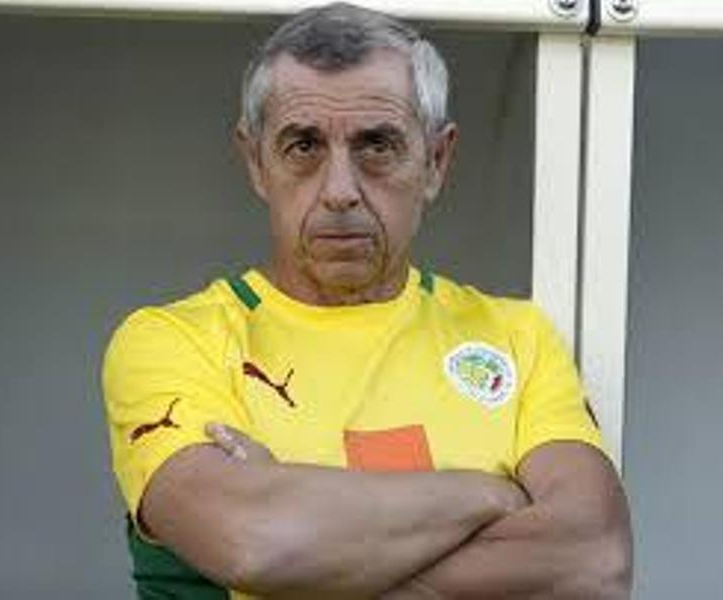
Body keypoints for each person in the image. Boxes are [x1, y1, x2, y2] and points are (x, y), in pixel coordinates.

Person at [102, 3, 633, 598]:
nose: (340, 191)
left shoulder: (516, 338)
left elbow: (593, 561)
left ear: (436, 161)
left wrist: (312, 562)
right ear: (255, 163)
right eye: (303, 146)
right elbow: (255, 541)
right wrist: (489, 495)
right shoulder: (173, 341)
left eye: (376, 145)